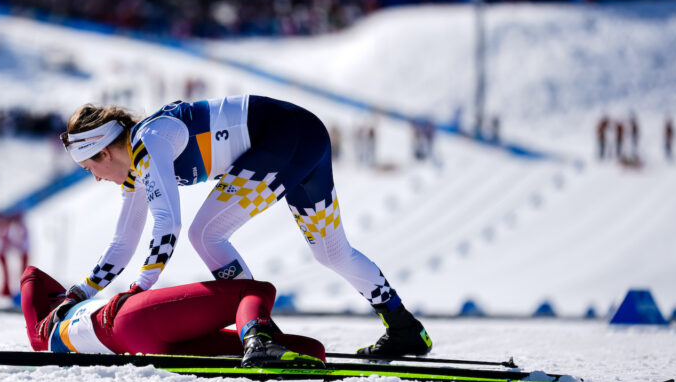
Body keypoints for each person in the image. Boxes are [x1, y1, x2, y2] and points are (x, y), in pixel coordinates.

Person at [58, 95, 432, 357]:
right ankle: (404, 327)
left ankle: (259, 332)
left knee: (205, 233)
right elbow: (123, 241)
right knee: (333, 253)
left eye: (89, 168)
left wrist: (140, 288)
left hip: (286, 137)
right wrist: (80, 292)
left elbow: (167, 223)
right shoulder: (138, 166)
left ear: (104, 151)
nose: (94, 178)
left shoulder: (148, 141)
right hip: (302, 136)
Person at [21, 265, 324, 367]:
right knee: (254, 290)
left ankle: (259, 344)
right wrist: (74, 294)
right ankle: (258, 344)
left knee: (312, 352)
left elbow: (32, 279)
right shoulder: (59, 315)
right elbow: (31, 274)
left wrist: (65, 300)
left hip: (140, 346)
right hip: (128, 317)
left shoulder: (43, 338)